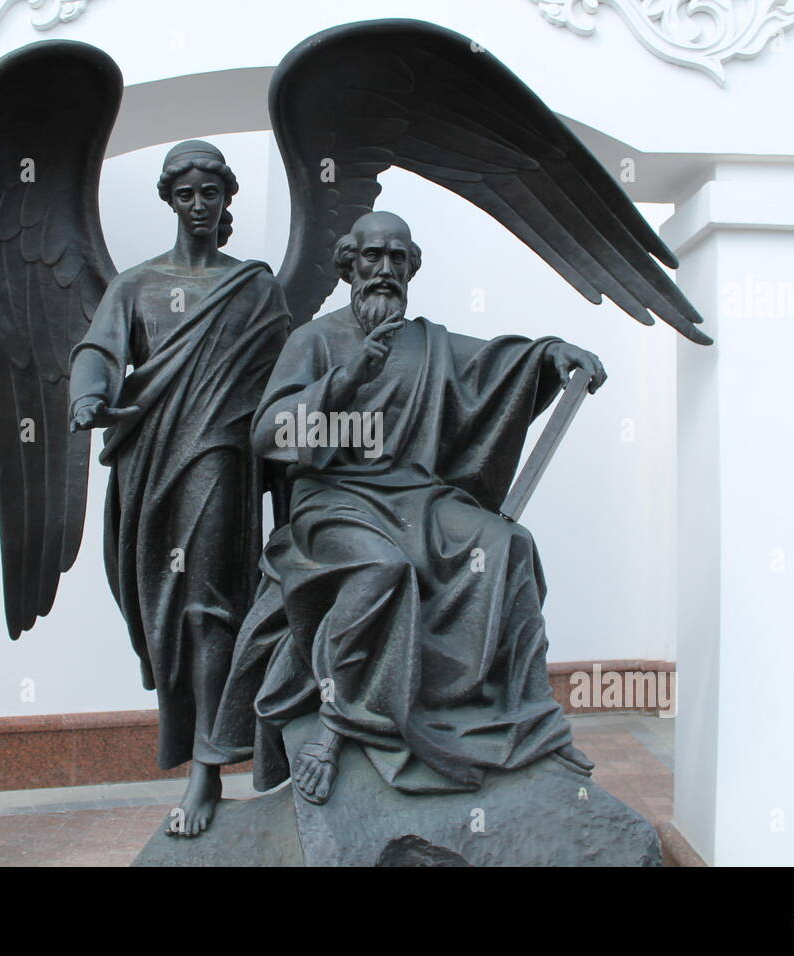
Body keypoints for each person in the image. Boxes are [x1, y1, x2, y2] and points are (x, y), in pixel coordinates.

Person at [198, 211, 601, 804]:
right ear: (348, 265)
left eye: (397, 259)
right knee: (382, 570)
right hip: (332, 502)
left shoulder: (426, 343)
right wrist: (346, 377)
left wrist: (553, 356)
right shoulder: (314, 340)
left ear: (411, 268)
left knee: (510, 546)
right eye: (372, 258)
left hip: (414, 498)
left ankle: (534, 720)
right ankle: (337, 728)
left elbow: (495, 364)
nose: (384, 271)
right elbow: (270, 435)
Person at [69, 141, 289, 833]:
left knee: (208, 609)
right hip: (150, 467)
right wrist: (89, 398)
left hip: (219, 460)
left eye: (210, 193)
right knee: (166, 615)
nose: (199, 204)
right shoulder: (135, 286)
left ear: (227, 199)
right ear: (171, 200)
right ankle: (204, 756)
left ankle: (206, 773)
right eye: (186, 193)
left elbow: (286, 384)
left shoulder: (253, 287)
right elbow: (99, 351)